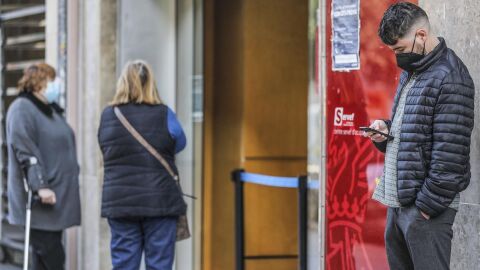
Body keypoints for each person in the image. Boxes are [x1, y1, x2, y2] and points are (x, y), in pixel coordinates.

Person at [364, 3, 475, 270]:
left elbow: (451, 156)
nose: (396, 57)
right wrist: (386, 131)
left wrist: (423, 210)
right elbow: (414, 132)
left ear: (422, 35)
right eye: (392, 51)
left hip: (425, 212)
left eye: (399, 49)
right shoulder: (413, 72)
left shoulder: (452, 77)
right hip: (400, 203)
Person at [98, 60, 187, 270]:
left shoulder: (108, 115)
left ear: (122, 83)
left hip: (120, 202)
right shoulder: (165, 113)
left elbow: (105, 147)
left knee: (124, 264)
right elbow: (180, 143)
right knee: (159, 264)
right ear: (151, 84)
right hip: (160, 201)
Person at [6, 63, 81, 270]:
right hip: (40, 202)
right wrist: (40, 186)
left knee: (44, 260)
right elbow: (24, 149)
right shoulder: (22, 108)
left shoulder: (50, 110)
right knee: (53, 256)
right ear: (39, 83)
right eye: (52, 80)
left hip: (56, 200)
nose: (57, 84)